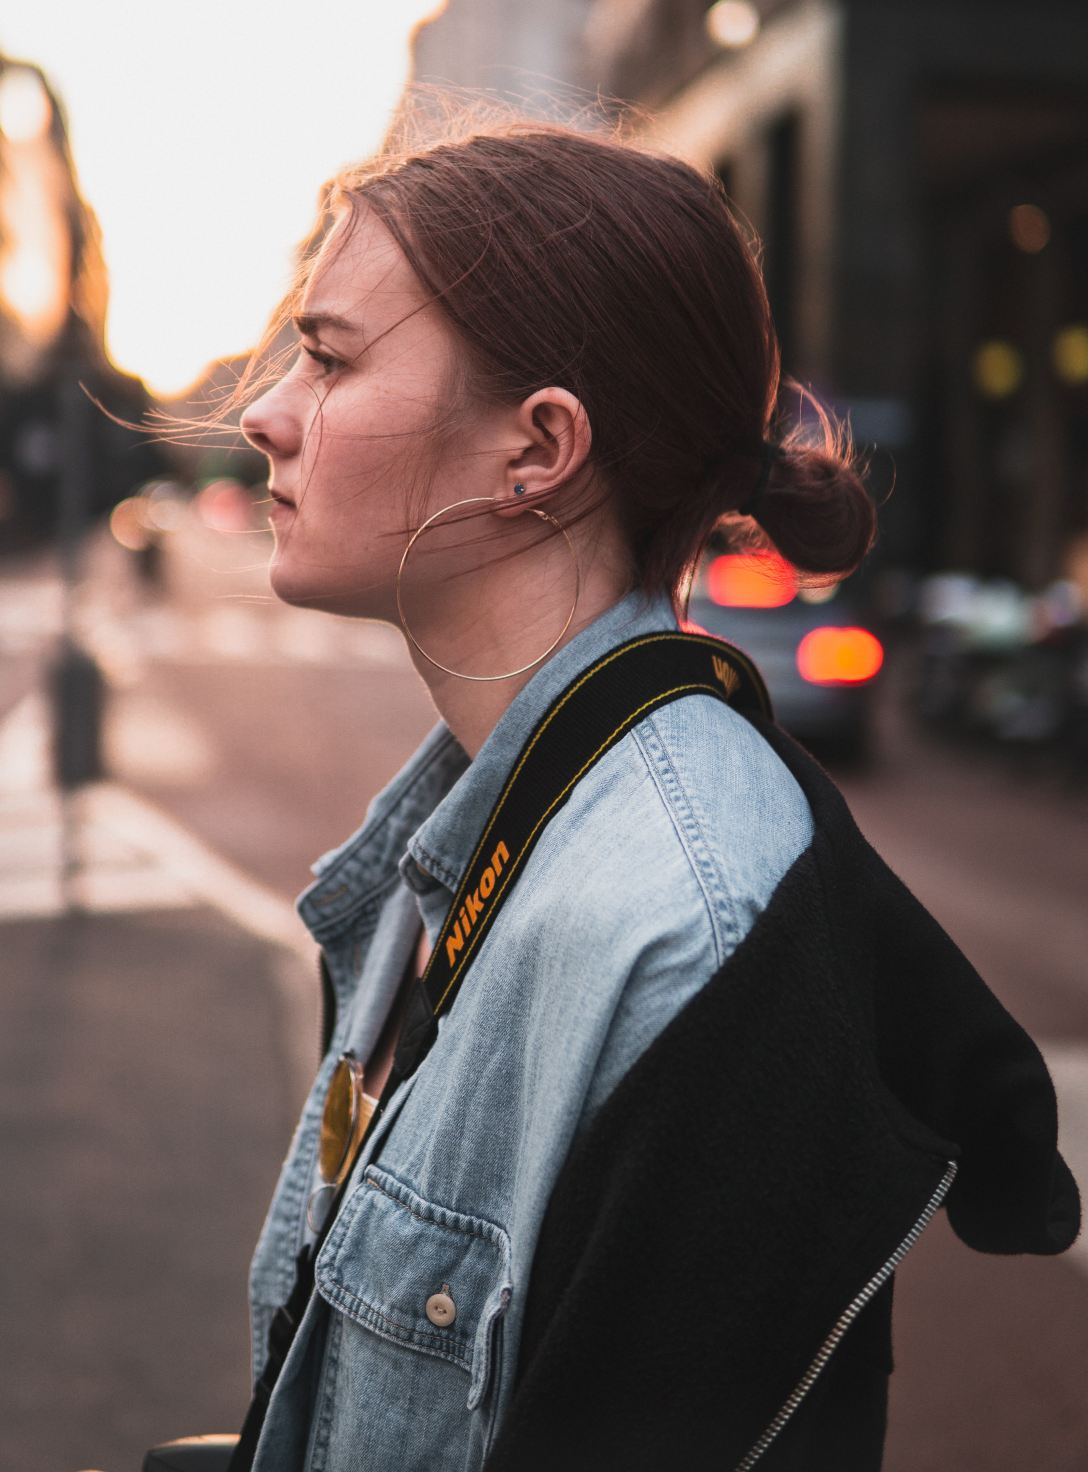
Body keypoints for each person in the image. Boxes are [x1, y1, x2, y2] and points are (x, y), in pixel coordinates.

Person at [229, 125, 1078, 1472]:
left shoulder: (679, 920)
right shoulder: (480, 844)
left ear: (539, 447)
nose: (263, 411)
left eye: (329, 359)